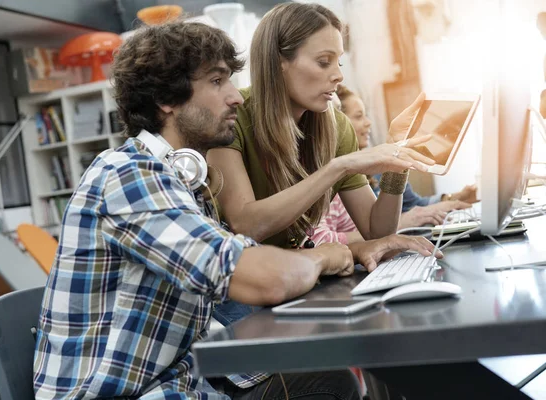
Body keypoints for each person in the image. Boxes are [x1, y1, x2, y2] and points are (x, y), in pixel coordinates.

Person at [32, 21, 441, 400]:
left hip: (183, 378)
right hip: (129, 392)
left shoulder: (187, 182)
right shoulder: (128, 175)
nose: (233, 96)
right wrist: (326, 254)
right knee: (331, 382)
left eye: (230, 79)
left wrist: (347, 251)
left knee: (330, 379)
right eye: (216, 80)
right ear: (164, 100)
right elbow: (264, 280)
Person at [207, 2, 436, 252]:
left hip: (303, 273)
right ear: (278, 61)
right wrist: (337, 168)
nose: (339, 75)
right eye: (324, 61)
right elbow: (246, 225)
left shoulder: (338, 127)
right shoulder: (232, 117)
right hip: (250, 279)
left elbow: (376, 230)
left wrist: (396, 158)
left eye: (338, 62)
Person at [312, 86, 479, 246]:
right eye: (358, 116)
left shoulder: (365, 169)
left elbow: (389, 224)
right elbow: (321, 242)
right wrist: (405, 221)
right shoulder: (331, 172)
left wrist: (454, 198)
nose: (368, 122)